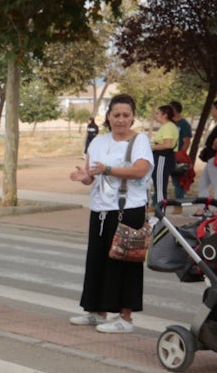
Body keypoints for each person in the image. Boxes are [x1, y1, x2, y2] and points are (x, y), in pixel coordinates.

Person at [68, 94, 151, 334]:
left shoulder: (140, 141)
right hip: (101, 209)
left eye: (126, 115)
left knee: (125, 263)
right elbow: (91, 175)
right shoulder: (98, 142)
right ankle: (96, 311)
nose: (121, 120)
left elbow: (140, 170)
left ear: (133, 117)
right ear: (108, 117)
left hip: (128, 209)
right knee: (97, 260)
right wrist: (85, 177)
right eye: (116, 115)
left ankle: (125, 318)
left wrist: (109, 169)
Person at [150, 103, 180, 204]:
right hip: (162, 157)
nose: (155, 115)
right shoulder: (167, 126)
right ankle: (157, 207)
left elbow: (168, 144)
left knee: (160, 184)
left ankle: (159, 211)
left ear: (165, 115)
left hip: (163, 157)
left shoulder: (168, 126)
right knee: (159, 183)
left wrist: (151, 147)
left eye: (158, 113)